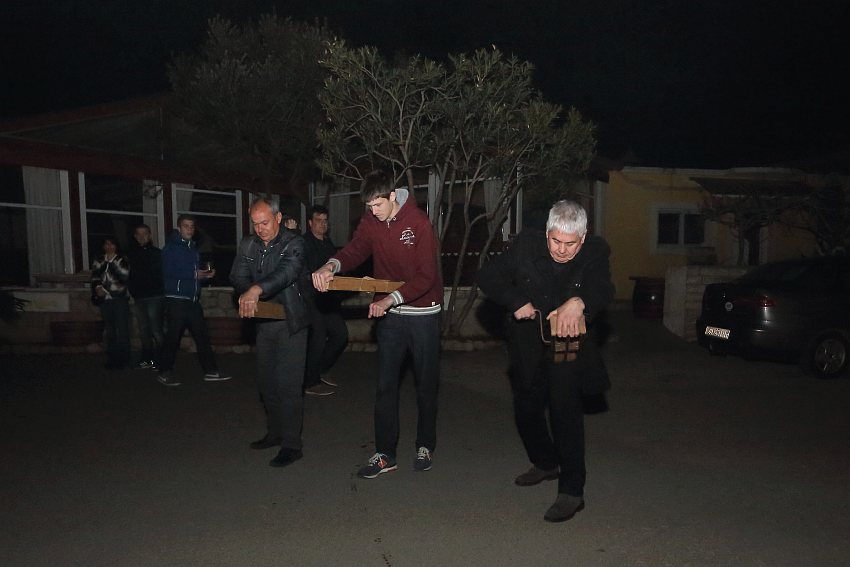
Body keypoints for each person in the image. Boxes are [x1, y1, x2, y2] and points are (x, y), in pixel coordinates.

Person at [478, 200, 614, 523]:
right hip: (528, 341)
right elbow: (487, 276)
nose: (562, 250)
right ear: (546, 233)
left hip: (567, 342)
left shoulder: (595, 252)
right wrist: (515, 300)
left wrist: (578, 302)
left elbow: (603, 289)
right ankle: (545, 462)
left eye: (570, 244)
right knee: (526, 407)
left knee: (565, 411)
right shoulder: (525, 247)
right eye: (555, 241)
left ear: (582, 239)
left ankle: (571, 491)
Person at [312, 169, 442, 479]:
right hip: (393, 318)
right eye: (368, 207)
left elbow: (427, 277)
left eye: (377, 205)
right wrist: (332, 265)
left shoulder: (419, 223)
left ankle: (425, 444)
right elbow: (356, 249)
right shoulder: (371, 221)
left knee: (425, 385)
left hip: (423, 314)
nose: (373, 212)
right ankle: (386, 453)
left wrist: (389, 299)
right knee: (385, 386)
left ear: (393, 197)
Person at [230, 198, 312, 468]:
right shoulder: (248, 244)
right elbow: (237, 276)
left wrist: (256, 290)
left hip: (291, 322)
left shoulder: (294, 242)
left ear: (278, 218)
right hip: (264, 323)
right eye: (255, 224)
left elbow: (286, 273)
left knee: (289, 386)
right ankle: (275, 433)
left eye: (265, 222)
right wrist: (248, 290)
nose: (261, 229)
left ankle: (292, 445)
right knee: (267, 385)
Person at [157, 214, 231, 386]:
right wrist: (194, 274)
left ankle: (211, 371)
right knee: (173, 338)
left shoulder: (192, 248)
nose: (189, 229)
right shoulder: (171, 248)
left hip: (191, 300)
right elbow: (167, 272)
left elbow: (191, 275)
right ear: (179, 228)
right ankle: (164, 372)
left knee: (202, 336)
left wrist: (204, 275)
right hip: (176, 300)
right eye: (186, 226)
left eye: (191, 226)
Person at [302, 204, 349, 397]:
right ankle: (309, 382)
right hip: (311, 298)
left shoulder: (328, 243)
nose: (322, 224)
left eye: (325, 221)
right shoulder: (304, 243)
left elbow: (337, 267)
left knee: (340, 335)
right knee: (319, 337)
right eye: (318, 220)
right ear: (310, 223)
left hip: (328, 299)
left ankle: (319, 370)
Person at [127, 224, 164, 369]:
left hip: (155, 296)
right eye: (139, 234)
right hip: (140, 296)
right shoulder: (131, 254)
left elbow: (160, 274)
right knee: (143, 330)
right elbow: (130, 275)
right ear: (135, 237)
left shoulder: (157, 253)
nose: (142, 237)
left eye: (145, 234)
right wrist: (133, 290)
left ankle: (163, 359)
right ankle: (147, 359)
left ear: (150, 236)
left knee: (156, 329)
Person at [90, 236, 131, 369]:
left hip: (119, 299)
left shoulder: (122, 260)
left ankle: (124, 359)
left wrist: (106, 288)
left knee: (122, 330)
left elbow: (124, 277)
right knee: (110, 329)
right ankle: (112, 358)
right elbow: (95, 275)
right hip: (105, 301)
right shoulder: (99, 259)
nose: (109, 247)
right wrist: (98, 288)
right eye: (106, 244)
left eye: (112, 244)